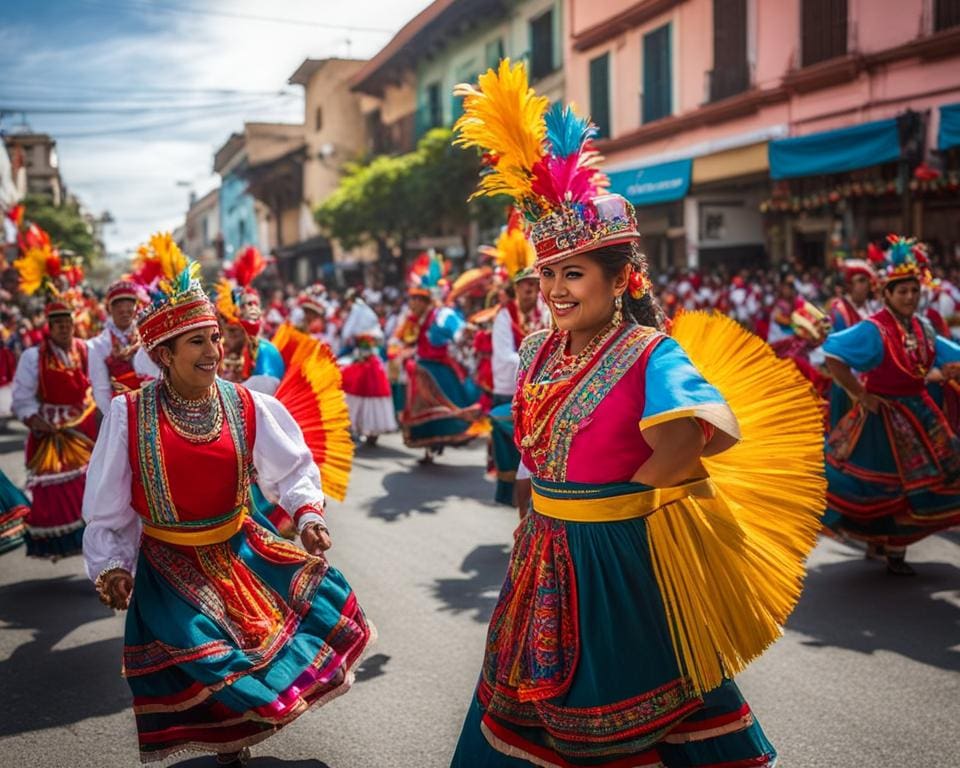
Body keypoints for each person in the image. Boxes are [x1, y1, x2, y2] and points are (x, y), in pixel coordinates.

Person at [449, 60, 825, 768]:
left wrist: (612, 513)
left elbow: (688, 440)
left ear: (620, 280)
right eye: (548, 275)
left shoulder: (651, 354)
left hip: (618, 564)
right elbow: (536, 457)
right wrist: (540, 513)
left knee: (624, 718)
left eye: (574, 274)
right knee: (531, 706)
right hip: (542, 551)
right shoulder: (537, 349)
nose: (555, 290)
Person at [82, 239, 373, 765]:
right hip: (169, 565)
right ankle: (227, 743)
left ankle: (232, 742)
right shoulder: (128, 415)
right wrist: (112, 566)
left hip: (240, 552)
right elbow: (110, 507)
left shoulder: (246, 404)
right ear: (164, 356)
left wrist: (307, 515)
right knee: (212, 663)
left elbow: (292, 468)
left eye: (215, 338)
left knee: (259, 667)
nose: (213, 350)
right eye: (196, 342)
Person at [823, 235, 960, 575]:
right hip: (882, 417)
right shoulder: (875, 329)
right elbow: (833, 354)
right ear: (886, 294)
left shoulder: (923, 327)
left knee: (942, 475)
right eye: (902, 292)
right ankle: (889, 545)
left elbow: (947, 356)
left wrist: (943, 372)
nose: (910, 297)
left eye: (914, 291)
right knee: (884, 486)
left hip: (922, 412)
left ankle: (890, 542)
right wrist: (860, 393)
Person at [11, 225, 97, 559]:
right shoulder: (34, 356)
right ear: (50, 326)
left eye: (68, 323)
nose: (64, 328)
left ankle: (90, 541)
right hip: (52, 431)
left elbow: (95, 384)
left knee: (90, 486)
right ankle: (63, 543)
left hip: (83, 425)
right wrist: (34, 419)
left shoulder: (86, 349)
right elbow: (22, 395)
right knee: (59, 492)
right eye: (58, 323)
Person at [485, 211, 548, 508]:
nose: (532, 291)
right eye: (527, 286)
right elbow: (505, 357)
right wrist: (538, 361)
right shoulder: (503, 317)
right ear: (516, 288)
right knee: (520, 458)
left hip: (539, 392)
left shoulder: (544, 313)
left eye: (536, 286)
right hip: (511, 392)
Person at [398, 251, 483, 463]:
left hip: (438, 372)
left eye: (416, 300)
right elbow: (403, 339)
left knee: (444, 411)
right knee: (422, 412)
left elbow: (457, 331)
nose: (412, 304)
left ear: (426, 300)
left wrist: (462, 333)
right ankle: (429, 447)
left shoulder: (441, 315)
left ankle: (437, 443)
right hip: (422, 370)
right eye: (411, 300)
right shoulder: (415, 319)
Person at [214, 246, 285, 395]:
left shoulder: (265, 351)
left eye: (234, 330)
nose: (228, 335)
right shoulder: (219, 351)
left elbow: (262, 394)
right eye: (224, 327)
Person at [87, 278, 159, 415]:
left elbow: (155, 374)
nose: (124, 309)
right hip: (119, 411)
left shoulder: (146, 337)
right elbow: (101, 389)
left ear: (136, 307)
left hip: (150, 407)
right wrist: (114, 417)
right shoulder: (97, 345)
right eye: (119, 305)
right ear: (110, 309)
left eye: (129, 304)